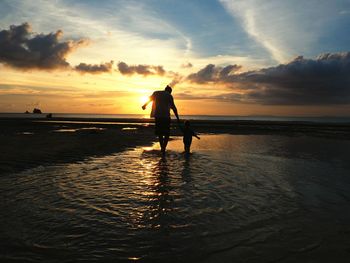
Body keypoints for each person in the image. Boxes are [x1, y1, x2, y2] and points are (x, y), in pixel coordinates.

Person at [142, 85, 180, 154]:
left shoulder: (156, 93)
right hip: (165, 116)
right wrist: (177, 118)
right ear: (170, 91)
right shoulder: (169, 95)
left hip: (158, 116)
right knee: (167, 133)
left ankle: (162, 147)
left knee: (160, 133)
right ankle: (163, 148)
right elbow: (174, 108)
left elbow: (149, 99)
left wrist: (144, 105)